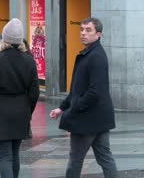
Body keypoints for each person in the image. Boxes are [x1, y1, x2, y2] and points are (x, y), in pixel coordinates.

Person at [49, 17, 118, 178]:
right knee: (105, 158)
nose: (83, 33)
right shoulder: (88, 54)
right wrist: (62, 107)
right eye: (81, 29)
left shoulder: (96, 57)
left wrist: (74, 108)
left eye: (88, 30)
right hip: (98, 118)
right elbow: (76, 88)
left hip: (88, 119)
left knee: (75, 160)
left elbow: (95, 92)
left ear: (98, 34)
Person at [0, 18, 39, 178]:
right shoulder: (29, 61)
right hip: (21, 111)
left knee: (5, 155)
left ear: (4, 38)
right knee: (15, 153)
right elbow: (34, 92)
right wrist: (28, 109)